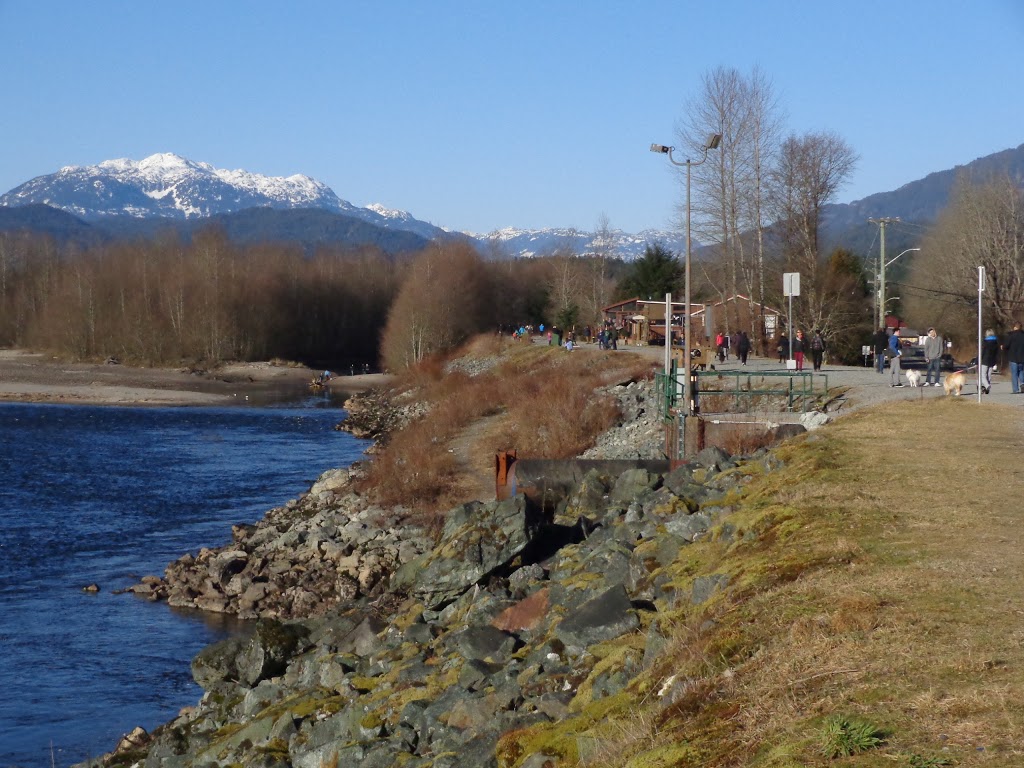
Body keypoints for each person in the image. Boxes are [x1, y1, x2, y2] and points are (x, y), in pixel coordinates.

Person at [1005, 322, 1024, 393]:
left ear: (1015, 327)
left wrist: (1003, 347)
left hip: (1013, 357)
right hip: (1022, 357)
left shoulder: (1011, 335)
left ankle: (1016, 389)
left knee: (1014, 374)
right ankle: (1022, 383)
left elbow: (1006, 345)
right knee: (1021, 371)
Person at [981, 328, 999, 395]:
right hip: (992, 361)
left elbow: (982, 352)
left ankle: (987, 386)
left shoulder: (985, 342)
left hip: (985, 360)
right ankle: (986, 388)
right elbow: (997, 353)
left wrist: (978, 360)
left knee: (982, 375)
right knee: (988, 375)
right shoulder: (996, 342)